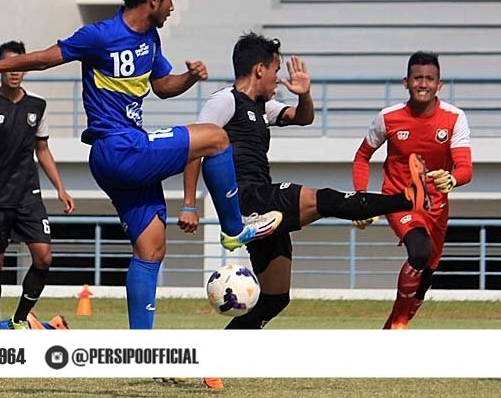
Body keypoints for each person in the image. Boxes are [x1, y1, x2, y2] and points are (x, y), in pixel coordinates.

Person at [0, 0, 281, 330]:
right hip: (119, 149)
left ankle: (140, 348)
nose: (172, 6)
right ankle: (234, 229)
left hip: (126, 155)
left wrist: (187, 78)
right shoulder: (100, 35)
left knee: (151, 247)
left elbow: (161, 88)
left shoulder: (150, 38)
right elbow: (40, 59)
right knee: (216, 137)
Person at [180, 33, 429, 331]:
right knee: (327, 200)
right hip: (247, 197)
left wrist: (304, 94)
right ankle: (406, 198)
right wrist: (189, 205)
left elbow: (303, 118)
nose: (278, 77)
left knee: (274, 298)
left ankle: (210, 359)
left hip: (264, 204)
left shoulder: (263, 106)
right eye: (276, 69)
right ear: (260, 69)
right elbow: (193, 149)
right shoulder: (224, 100)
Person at [0, 40, 76, 330]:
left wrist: (60, 188)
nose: (15, 72)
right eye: (9, 66)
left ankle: (21, 318)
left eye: (20, 66)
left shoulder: (38, 105)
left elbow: (43, 151)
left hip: (28, 196)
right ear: (1, 68)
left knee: (44, 257)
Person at [353, 51, 473, 330]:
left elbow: (465, 168)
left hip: (436, 208)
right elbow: (362, 157)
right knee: (419, 252)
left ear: (439, 84)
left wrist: (452, 179)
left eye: (429, 79)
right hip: (399, 200)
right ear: (405, 82)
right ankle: (397, 324)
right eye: (417, 78)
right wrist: (361, 199)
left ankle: (394, 325)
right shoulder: (388, 118)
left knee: (427, 274)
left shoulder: (454, 118)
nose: (423, 84)